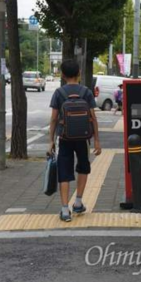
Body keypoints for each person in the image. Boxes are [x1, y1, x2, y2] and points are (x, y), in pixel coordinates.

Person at [48, 60, 102, 222]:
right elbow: (93, 118)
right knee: (83, 167)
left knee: (64, 171)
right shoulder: (86, 92)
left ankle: (65, 210)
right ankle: (78, 202)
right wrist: (97, 140)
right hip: (83, 138)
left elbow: (53, 119)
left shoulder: (59, 93)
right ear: (79, 73)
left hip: (64, 138)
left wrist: (50, 140)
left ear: (62, 75)